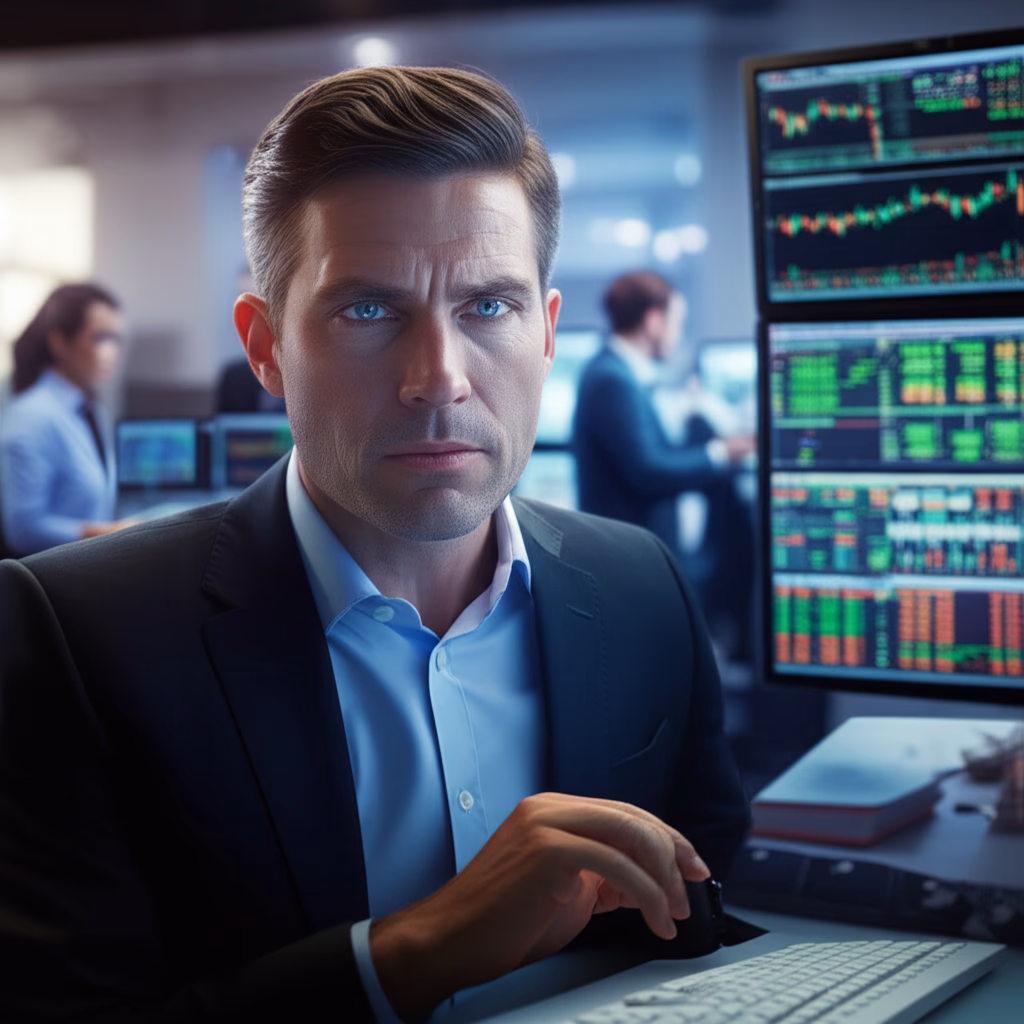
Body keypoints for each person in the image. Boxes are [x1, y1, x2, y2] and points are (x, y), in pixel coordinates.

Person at [0, 67, 748, 1022]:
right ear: (265, 347)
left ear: (548, 332)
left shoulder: (642, 585)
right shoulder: (77, 636)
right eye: (367, 310)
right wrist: (406, 955)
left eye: (489, 307)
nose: (438, 380)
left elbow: (707, 907)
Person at [573, 270, 754, 553]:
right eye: (677, 322)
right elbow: (647, 470)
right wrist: (721, 452)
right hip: (627, 557)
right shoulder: (613, 379)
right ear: (654, 322)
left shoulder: (616, 372)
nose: (678, 335)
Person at [0, 283, 136, 555]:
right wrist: (111, 533)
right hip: (47, 586)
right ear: (60, 343)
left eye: (116, 339)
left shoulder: (91, 409)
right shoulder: (31, 417)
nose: (112, 351)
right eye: (100, 338)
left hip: (85, 571)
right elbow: (24, 529)